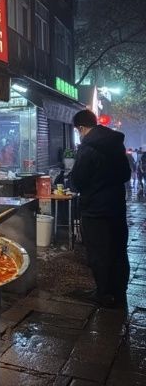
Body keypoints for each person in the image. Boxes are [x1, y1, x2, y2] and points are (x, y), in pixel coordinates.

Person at [69, 109, 131, 308]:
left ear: (81, 128)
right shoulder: (115, 144)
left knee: (99, 253)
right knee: (118, 250)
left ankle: (103, 294)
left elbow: (78, 180)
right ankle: (119, 291)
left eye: (78, 131)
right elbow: (126, 174)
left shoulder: (87, 148)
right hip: (116, 207)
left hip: (95, 210)